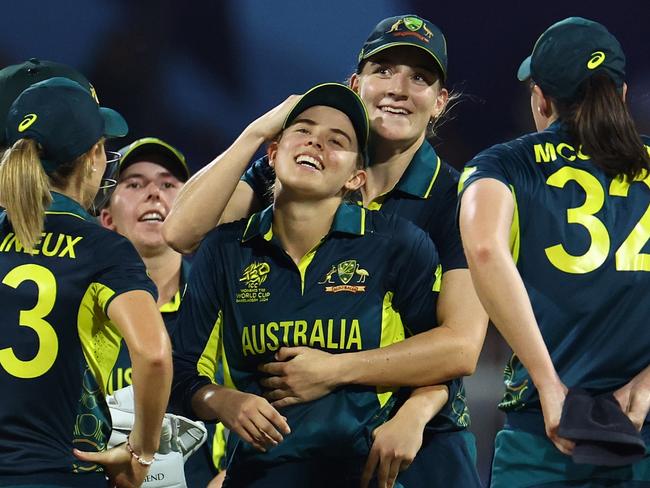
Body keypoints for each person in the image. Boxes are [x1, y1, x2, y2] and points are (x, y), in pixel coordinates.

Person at [163, 14, 486, 487]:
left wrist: (340, 374)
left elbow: (459, 344)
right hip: (301, 451)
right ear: (356, 84)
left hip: (420, 442)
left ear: (439, 103)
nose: (398, 88)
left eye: (419, 77)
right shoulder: (299, 173)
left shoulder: (458, 199)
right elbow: (182, 233)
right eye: (383, 71)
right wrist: (257, 132)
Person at [458, 17, 650, 487]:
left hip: (544, 438)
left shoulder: (503, 164)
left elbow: (484, 248)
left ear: (541, 99)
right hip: (643, 428)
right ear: (621, 96)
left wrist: (548, 386)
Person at [0, 77, 172, 487]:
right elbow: (153, 354)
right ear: (94, 156)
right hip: (56, 472)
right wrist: (141, 453)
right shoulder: (102, 248)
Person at [99, 137, 226, 487]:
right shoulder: (81, 307)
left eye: (169, 184)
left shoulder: (225, 299)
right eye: (135, 183)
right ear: (106, 218)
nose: (154, 192)